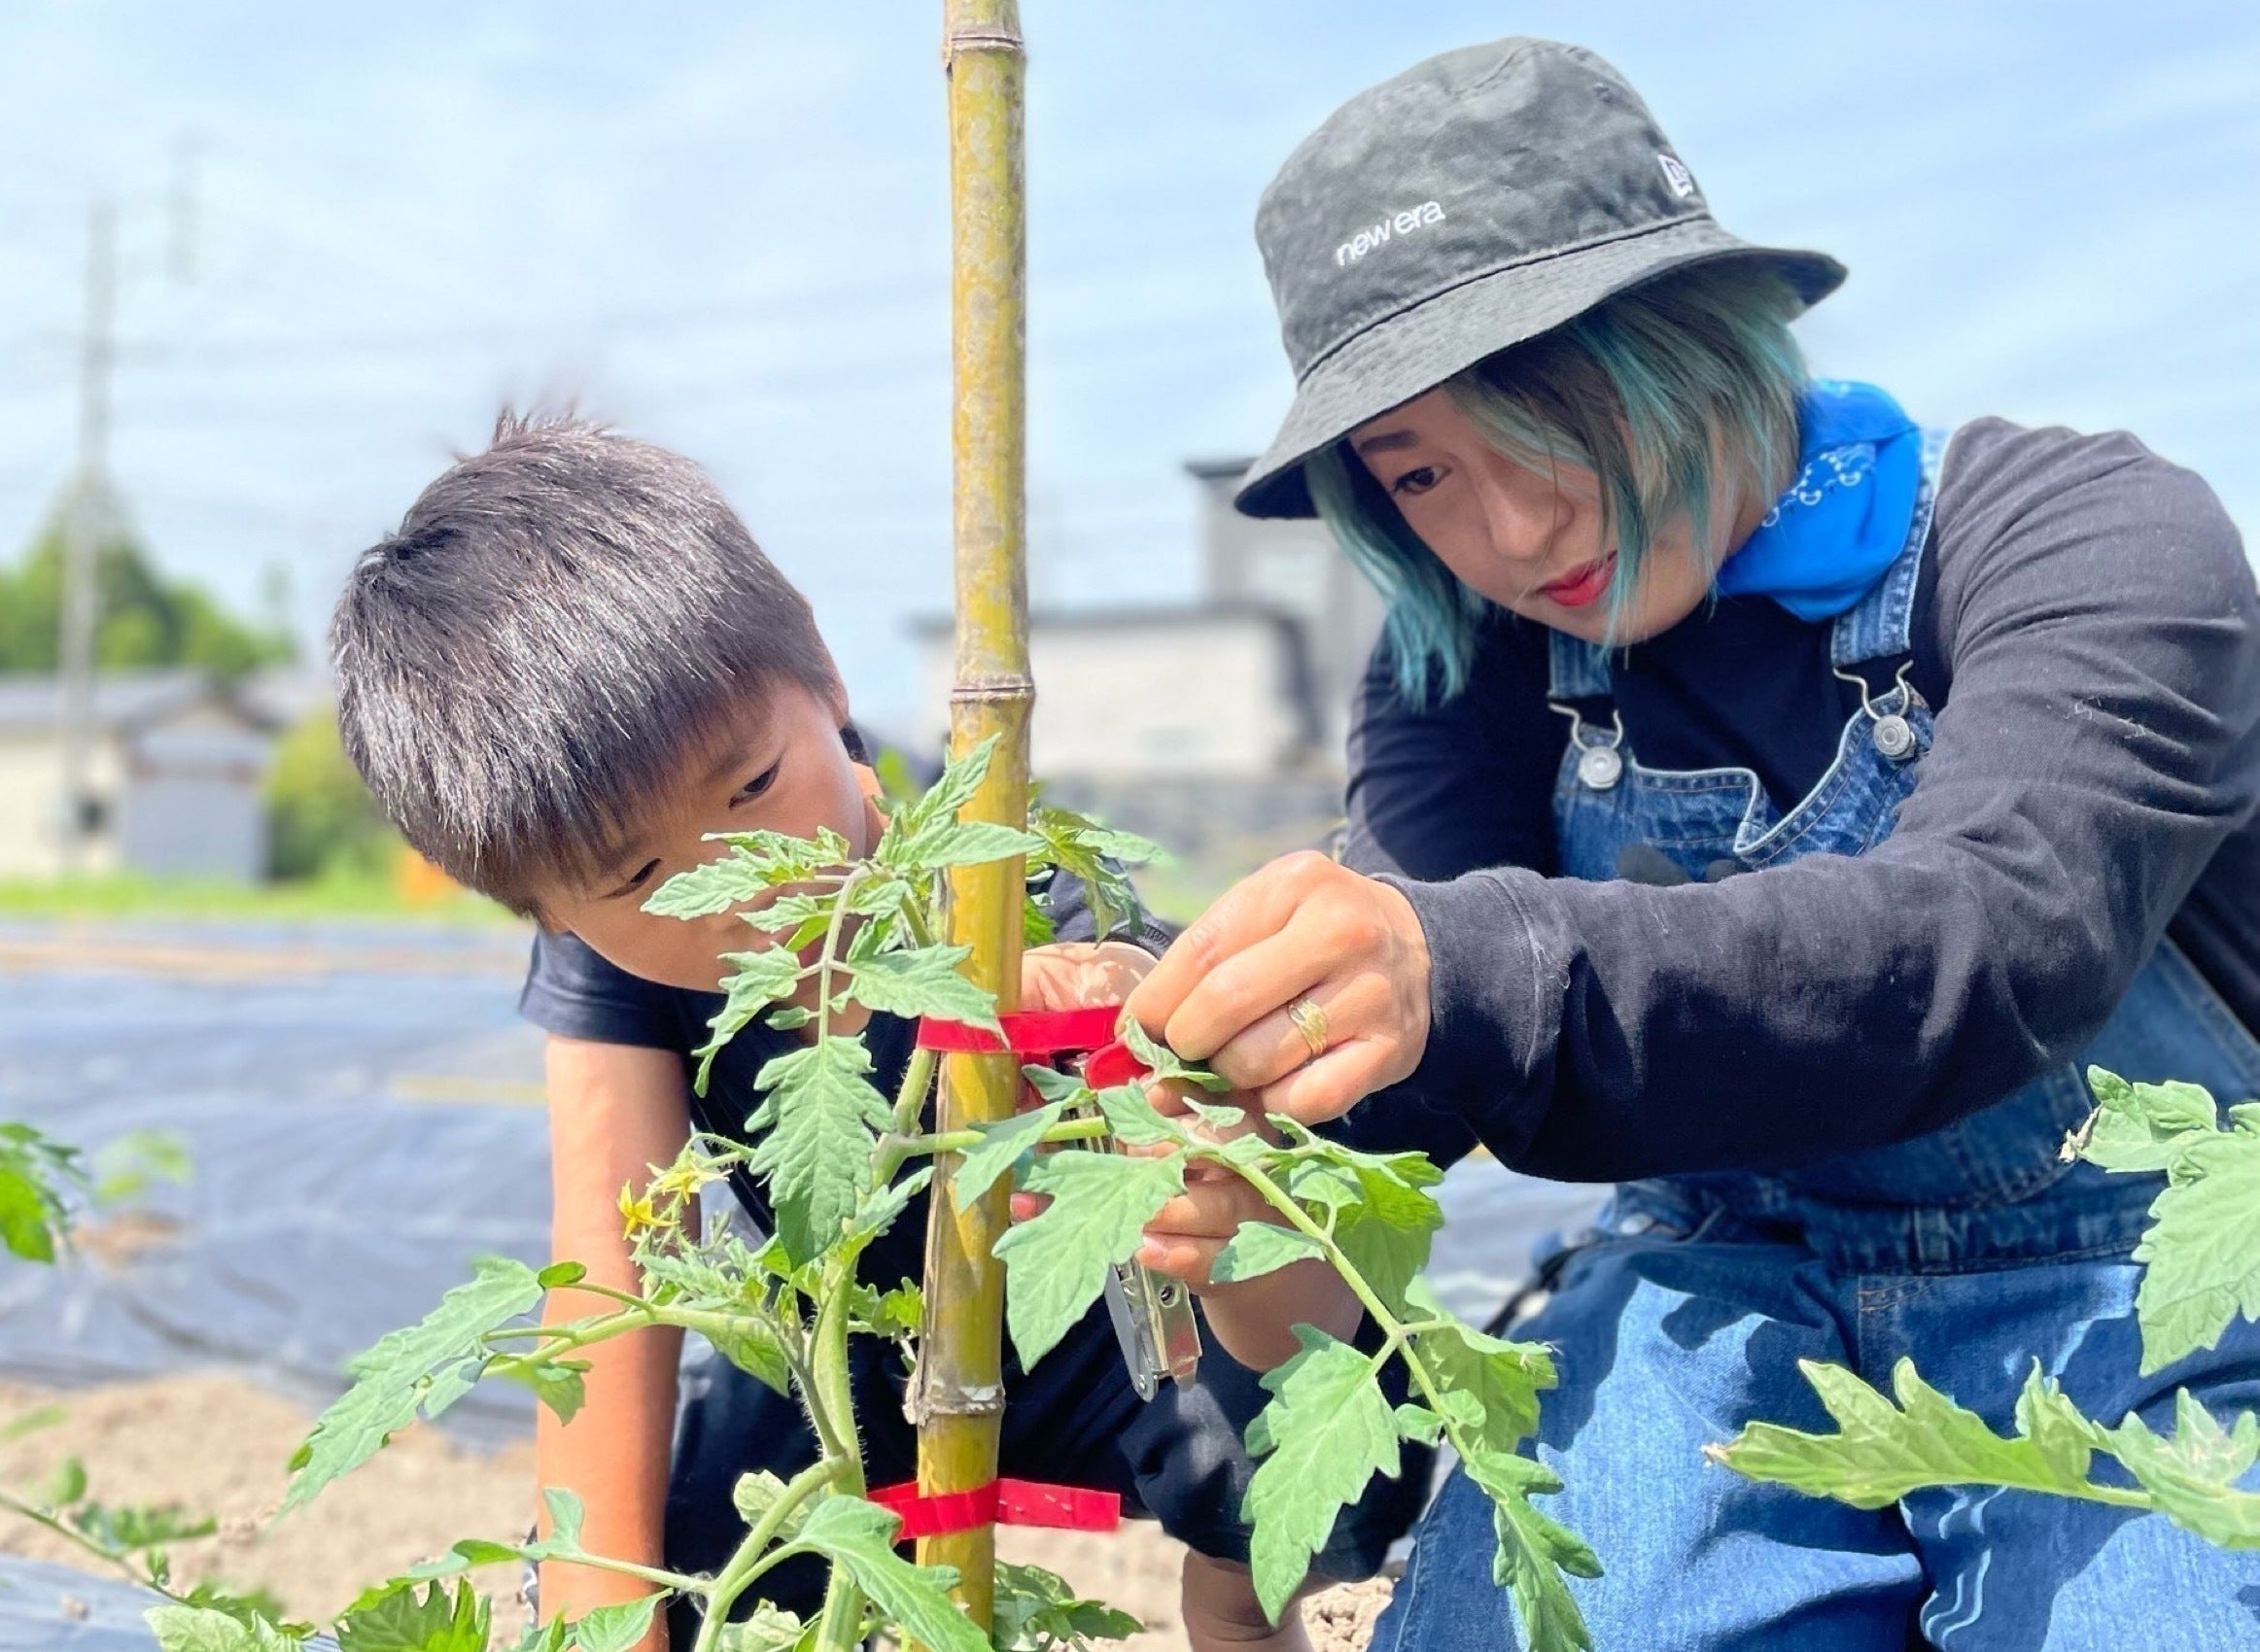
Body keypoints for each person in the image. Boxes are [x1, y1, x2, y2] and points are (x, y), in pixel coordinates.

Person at [1119, 38, 2260, 1651]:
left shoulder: (2079, 536)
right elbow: (1378, 1116)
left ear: (1700, 332)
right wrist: (1227, 1101)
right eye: (1425, 473)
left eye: (1547, 416)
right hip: (1720, 1266)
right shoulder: (1469, 676)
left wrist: (1473, 972)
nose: (1514, 533)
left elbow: (1998, 931)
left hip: (2142, 1273)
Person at [328, 416, 1418, 1651]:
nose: (751, 883)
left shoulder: (990, 874)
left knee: (1290, 1474)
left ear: (829, 688)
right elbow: (610, 1259)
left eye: (752, 787)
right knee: (704, 1537)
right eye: (636, 874)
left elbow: (1216, 1115)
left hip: (1121, 1320)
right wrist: (604, 1604)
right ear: (538, 902)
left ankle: (1240, 1609)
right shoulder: (608, 972)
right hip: (858, 1338)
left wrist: (1105, 1025)